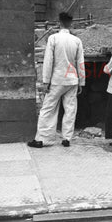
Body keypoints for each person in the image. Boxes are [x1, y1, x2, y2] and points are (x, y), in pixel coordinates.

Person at [28, 12, 84, 148]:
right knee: (70, 109)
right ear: (71, 23)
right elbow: (80, 63)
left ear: (59, 22)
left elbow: (48, 61)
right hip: (72, 80)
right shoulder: (76, 41)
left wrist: (46, 81)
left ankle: (43, 139)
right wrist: (81, 81)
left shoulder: (53, 38)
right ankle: (67, 138)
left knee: (48, 108)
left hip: (57, 79)